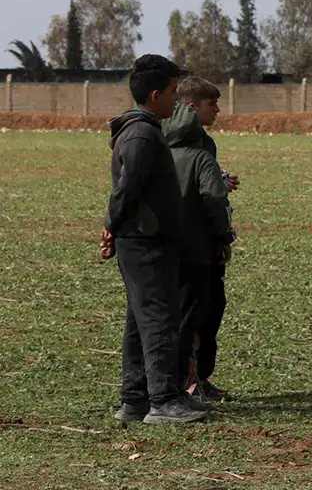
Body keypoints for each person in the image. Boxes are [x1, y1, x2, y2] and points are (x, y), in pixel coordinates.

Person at [101, 54, 209, 424]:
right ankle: (163, 400)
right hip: (146, 242)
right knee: (159, 318)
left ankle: (135, 400)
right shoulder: (143, 135)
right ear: (154, 95)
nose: (177, 101)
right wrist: (111, 225)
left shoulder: (145, 130)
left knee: (140, 320)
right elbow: (126, 188)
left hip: (144, 239)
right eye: (172, 93)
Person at [162, 76, 237, 406]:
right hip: (199, 247)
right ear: (192, 107)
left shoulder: (159, 139)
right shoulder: (201, 148)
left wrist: (218, 180)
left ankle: (188, 379)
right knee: (199, 315)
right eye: (212, 104)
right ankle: (190, 384)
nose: (218, 109)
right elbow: (209, 199)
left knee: (181, 315)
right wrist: (224, 235)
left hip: (167, 246)